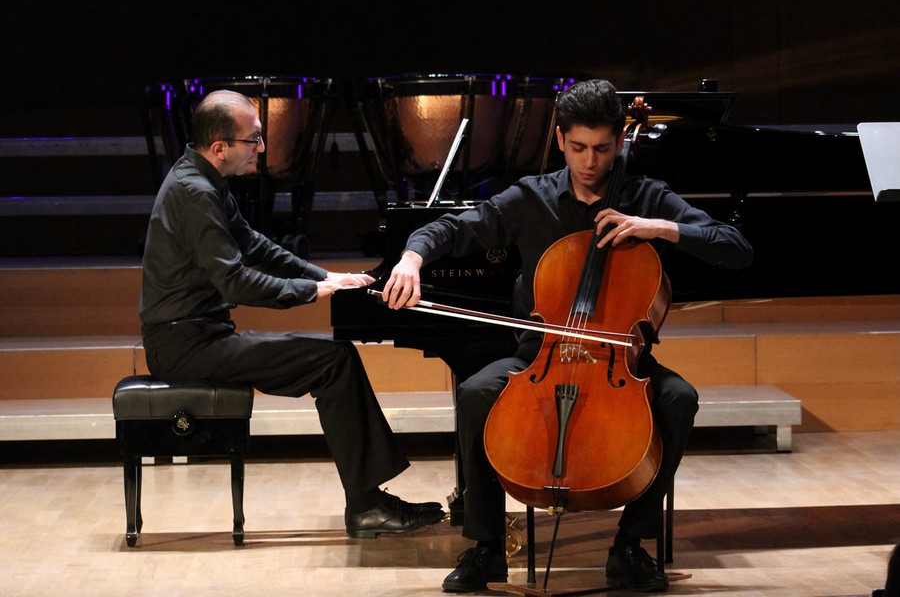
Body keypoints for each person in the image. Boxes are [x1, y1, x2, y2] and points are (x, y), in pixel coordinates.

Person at [382, 79, 754, 592]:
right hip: (540, 354)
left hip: (621, 362)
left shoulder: (647, 196)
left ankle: (630, 546)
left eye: (602, 148)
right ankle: (488, 548)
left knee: (679, 399)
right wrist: (411, 258)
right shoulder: (530, 198)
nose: (590, 161)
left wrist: (659, 227)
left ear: (619, 142)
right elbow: (452, 228)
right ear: (560, 139)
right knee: (475, 393)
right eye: (578, 147)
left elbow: (735, 247)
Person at [139, 89, 445, 540]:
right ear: (220, 147)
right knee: (334, 361)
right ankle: (366, 507)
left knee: (334, 359)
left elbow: (255, 245)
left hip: (198, 336)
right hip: (186, 345)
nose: (261, 148)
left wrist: (327, 276)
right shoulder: (195, 191)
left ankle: (367, 501)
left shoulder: (203, 179)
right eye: (253, 139)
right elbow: (235, 282)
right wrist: (313, 291)